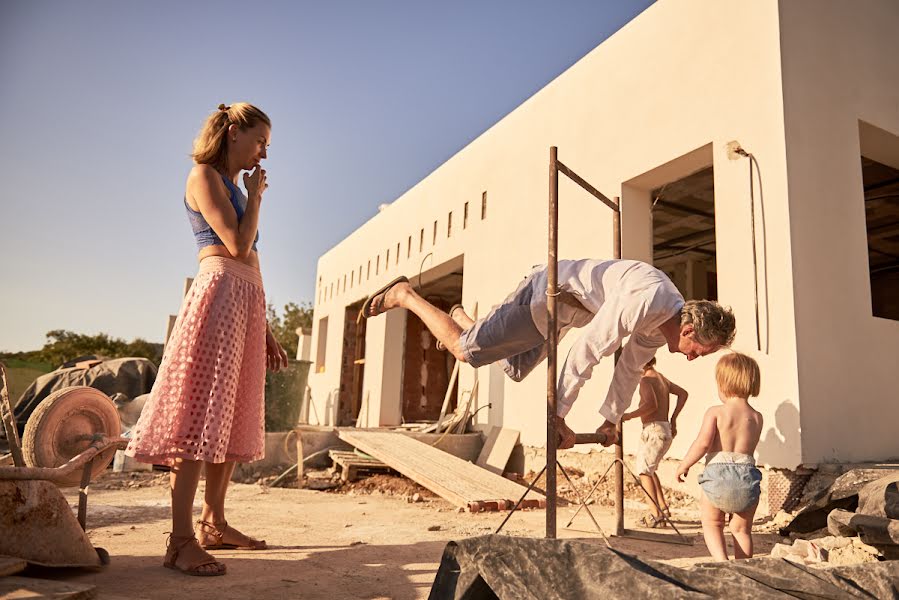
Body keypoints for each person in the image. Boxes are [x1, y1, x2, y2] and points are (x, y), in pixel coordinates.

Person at [125, 103, 288, 576]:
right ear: (234, 132)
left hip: (245, 302)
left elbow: (250, 259)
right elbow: (236, 247)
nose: (263, 153)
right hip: (217, 296)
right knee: (201, 417)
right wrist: (257, 198)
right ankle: (179, 541)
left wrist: (267, 328)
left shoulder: (235, 186)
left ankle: (214, 523)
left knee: (231, 417)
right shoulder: (203, 176)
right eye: (260, 141)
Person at [361, 259, 734, 448]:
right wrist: (557, 415)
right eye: (701, 350)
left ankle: (461, 320)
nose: (694, 357)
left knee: (513, 368)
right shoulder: (647, 300)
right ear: (688, 330)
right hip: (545, 294)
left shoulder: (663, 324)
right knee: (464, 352)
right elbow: (587, 352)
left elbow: (629, 369)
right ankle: (404, 294)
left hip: (565, 312)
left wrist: (610, 420)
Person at [675, 352, 763, 561]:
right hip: (746, 477)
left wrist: (684, 465)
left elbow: (703, 443)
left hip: (718, 474)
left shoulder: (716, 412)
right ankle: (744, 567)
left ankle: (722, 563)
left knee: (712, 523)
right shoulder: (756, 417)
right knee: (741, 529)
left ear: (723, 383)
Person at [621, 356, 688, 528]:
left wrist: (628, 415)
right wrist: (673, 419)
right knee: (650, 471)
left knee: (643, 472)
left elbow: (651, 405)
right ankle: (662, 508)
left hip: (653, 430)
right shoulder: (661, 377)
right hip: (664, 428)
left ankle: (655, 514)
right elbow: (683, 394)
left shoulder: (646, 380)